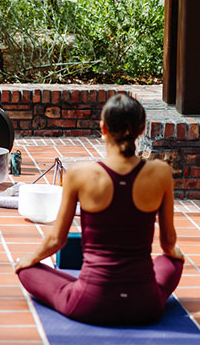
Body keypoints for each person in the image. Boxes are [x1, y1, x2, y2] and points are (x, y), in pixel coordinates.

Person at [15, 93, 183, 325]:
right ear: (141, 129)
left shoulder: (79, 174)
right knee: (173, 261)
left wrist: (30, 259)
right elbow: (168, 243)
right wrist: (174, 254)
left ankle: (66, 282)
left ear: (103, 128)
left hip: (91, 304)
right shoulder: (161, 173)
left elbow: (56, 241)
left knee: (27, 270)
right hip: (145, 305)